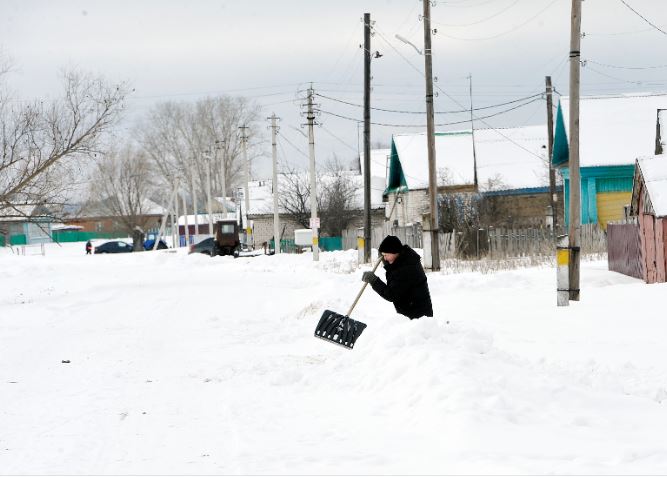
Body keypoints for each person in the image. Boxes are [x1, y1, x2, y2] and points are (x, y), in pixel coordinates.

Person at [361, 235, 433, 319]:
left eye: (386, 255)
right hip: (415, 312)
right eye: (383, 255)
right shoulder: (405, 259)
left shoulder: (406, 268)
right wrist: (388, 264)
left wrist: (374, 281)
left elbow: (391, 294)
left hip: (417, 316)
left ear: (394, 252)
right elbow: (394, 277)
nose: (385, 258)